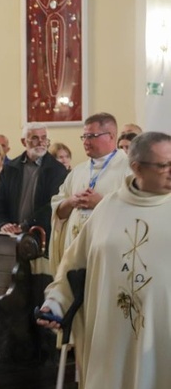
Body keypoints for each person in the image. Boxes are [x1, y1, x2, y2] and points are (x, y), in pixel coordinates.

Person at [38, 132, 171, 389]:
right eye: (164, 165)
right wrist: (55, 303)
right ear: (136, 168)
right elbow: (73, 266)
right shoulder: (108, 209)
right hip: (109, 342)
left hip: (162, 342)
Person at [49, 113, 130, 277]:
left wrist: (101, 203)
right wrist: (71, 201)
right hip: (74, 255)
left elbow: (135, 214)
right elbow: (59, 212)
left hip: (107, 258)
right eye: (84, 136)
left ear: (111, 136)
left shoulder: (129, 170)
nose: (86, 142)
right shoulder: (77, 171)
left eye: (92, 136)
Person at [0, 123, 67, 254]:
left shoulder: (57, 170)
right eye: (35, 138)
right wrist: (2, 223)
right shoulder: (10, 168)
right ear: (23, 141)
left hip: (41, 237)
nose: (41, 142)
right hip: (10, 238)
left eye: (44, 138)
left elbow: (53, 204)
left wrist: (26, 225)